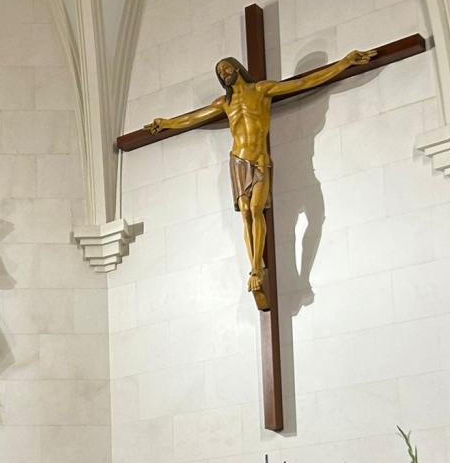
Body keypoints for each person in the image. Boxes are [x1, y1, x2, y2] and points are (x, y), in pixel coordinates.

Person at [146, 49, 376, 310]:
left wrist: (344, 63)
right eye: (220, 72)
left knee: (258, 209)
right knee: (246, 212)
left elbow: (304, 82)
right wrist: (166, 123)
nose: (224, 73)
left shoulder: (261, 90)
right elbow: (191, 118)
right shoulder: (224, 103)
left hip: (259, 160)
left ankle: (279, 273)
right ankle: (256, 269)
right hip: (238, 160)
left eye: (226, 68)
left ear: (237, 68)